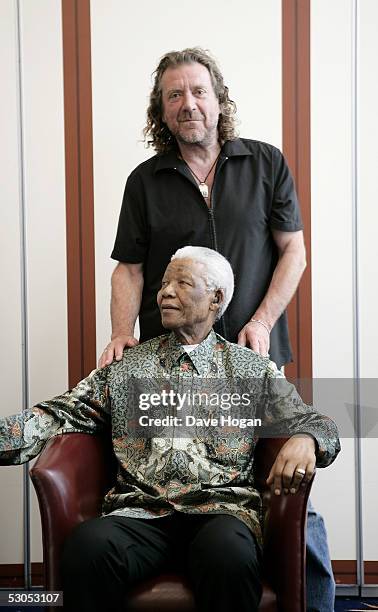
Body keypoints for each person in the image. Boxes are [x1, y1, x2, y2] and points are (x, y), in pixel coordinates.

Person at [99, 48, 336, 611]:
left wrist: (260, 322)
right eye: (175, 95)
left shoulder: (266, 163)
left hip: (251, 354)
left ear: (218, 98)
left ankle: (304, 593)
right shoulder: (144, 181)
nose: (189, 104)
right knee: (167, 470)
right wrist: (118, 333)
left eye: (198, 91)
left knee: (276, 487)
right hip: (167, 361)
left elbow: (293, 253)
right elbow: (130, 268)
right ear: (162, 110)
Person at [1, 247, 340, 612]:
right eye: (163, 284)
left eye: (182, 283)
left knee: (229, 556)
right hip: (140, 513)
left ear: (216, 299)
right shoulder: (127, 367)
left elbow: (318, 422)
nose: (165, 292)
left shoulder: (248, 369)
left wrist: (307, 438)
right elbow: (56, 413)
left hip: (220, 511)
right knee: (88, 548)